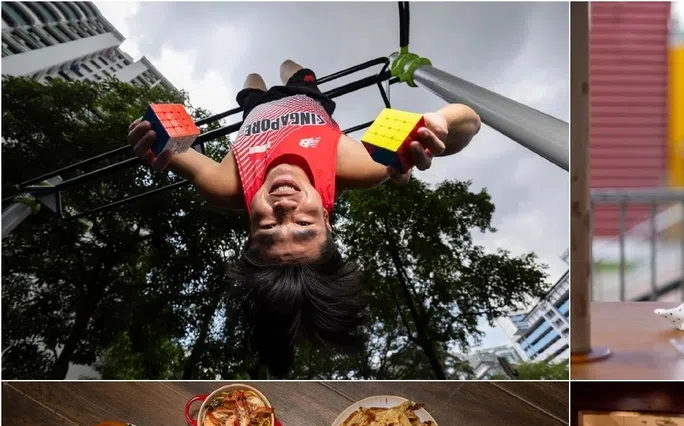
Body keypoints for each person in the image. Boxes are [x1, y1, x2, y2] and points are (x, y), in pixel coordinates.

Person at [127, 60, 482, 376]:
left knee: (251, 82)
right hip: (305, 94)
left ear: (251, 231)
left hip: (256, 108)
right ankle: (291, 73)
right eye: (302, 226)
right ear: (328, 222)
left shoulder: (223, 184)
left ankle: (253, 88)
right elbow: (471, 120)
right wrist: (441, 123)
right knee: (288, 65)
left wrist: (147, 139)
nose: (284, 208)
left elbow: (163, 143)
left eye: (268, 227)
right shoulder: (357, 166)